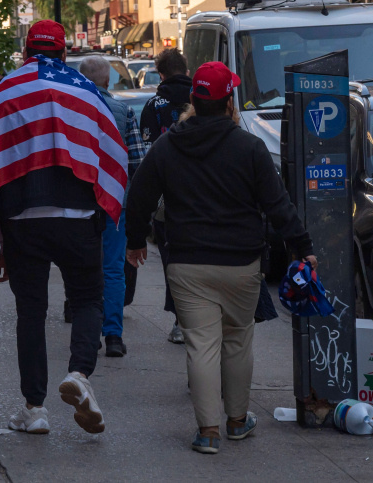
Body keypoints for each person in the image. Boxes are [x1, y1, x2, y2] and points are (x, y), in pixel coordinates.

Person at [125, 62, 316, 454]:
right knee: (237, 341)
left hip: (187, 262)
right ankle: (236, 420)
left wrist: (135, 241)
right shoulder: (249, 147)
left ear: (193, 100)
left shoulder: (168, 145)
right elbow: (277, 205)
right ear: (229, 102)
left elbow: (140, 196)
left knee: (201, 344)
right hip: (240, 263)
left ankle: (208, 432)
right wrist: (302, 246)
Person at [0, 20, 128, 435]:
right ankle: (79, 373)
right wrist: (104, 213)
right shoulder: (86, 91)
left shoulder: (5, 91)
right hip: (78, 217)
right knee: (88, 298)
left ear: (26, 49)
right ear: (63, 51)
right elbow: (110, 149)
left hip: (22, 219)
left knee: (31, 312)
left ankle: (34, 407)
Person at [78, 56, 147, 357]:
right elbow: (138, 163)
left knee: (82, 269)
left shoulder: (73, 111)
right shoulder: (124, 111)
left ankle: (87, 334)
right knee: (114, 270)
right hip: (115, 203)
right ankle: (113, 335)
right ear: (107, 81)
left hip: (80, 204)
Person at [139, 48, 193, 345]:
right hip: (203, 187)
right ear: (185, 69)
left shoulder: (154, 103)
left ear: (160, 74)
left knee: (171, 260)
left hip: (166, 194)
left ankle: (179, 321)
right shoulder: (203, 97)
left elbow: (148, 152)